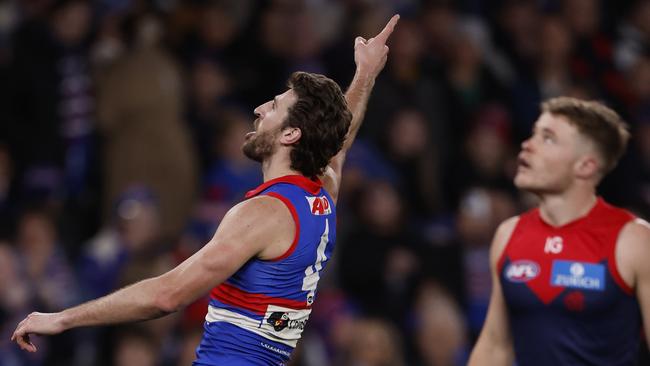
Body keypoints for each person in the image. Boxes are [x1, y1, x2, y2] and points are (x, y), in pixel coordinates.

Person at [11, 14, 400, 366]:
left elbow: (168, 295)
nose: (261, 109)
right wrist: (365, 73)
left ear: (291, 134)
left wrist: (63, 318)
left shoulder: (264, 214)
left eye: (275, 107)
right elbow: (339, 143)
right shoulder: (322, 197)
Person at [468, 97, 650, 365]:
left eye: (548, 138)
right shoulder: (509, 234)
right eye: (533, 134)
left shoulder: (633, 239)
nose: (527, 145)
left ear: (585, 166)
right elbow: (495, 346)